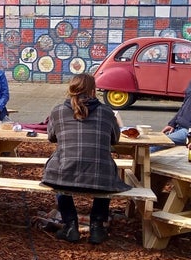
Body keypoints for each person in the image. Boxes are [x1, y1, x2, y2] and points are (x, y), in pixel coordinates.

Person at [41, 73, 130, 244]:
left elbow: (52, 137)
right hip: (101, 178)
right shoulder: (107, 112)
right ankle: (97, 226)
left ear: (70, 89)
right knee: (104, 170)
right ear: (93, 91)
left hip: (63, 175)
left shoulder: (58, 111)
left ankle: (70, 225)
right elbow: (115, 139)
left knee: (58, 174)